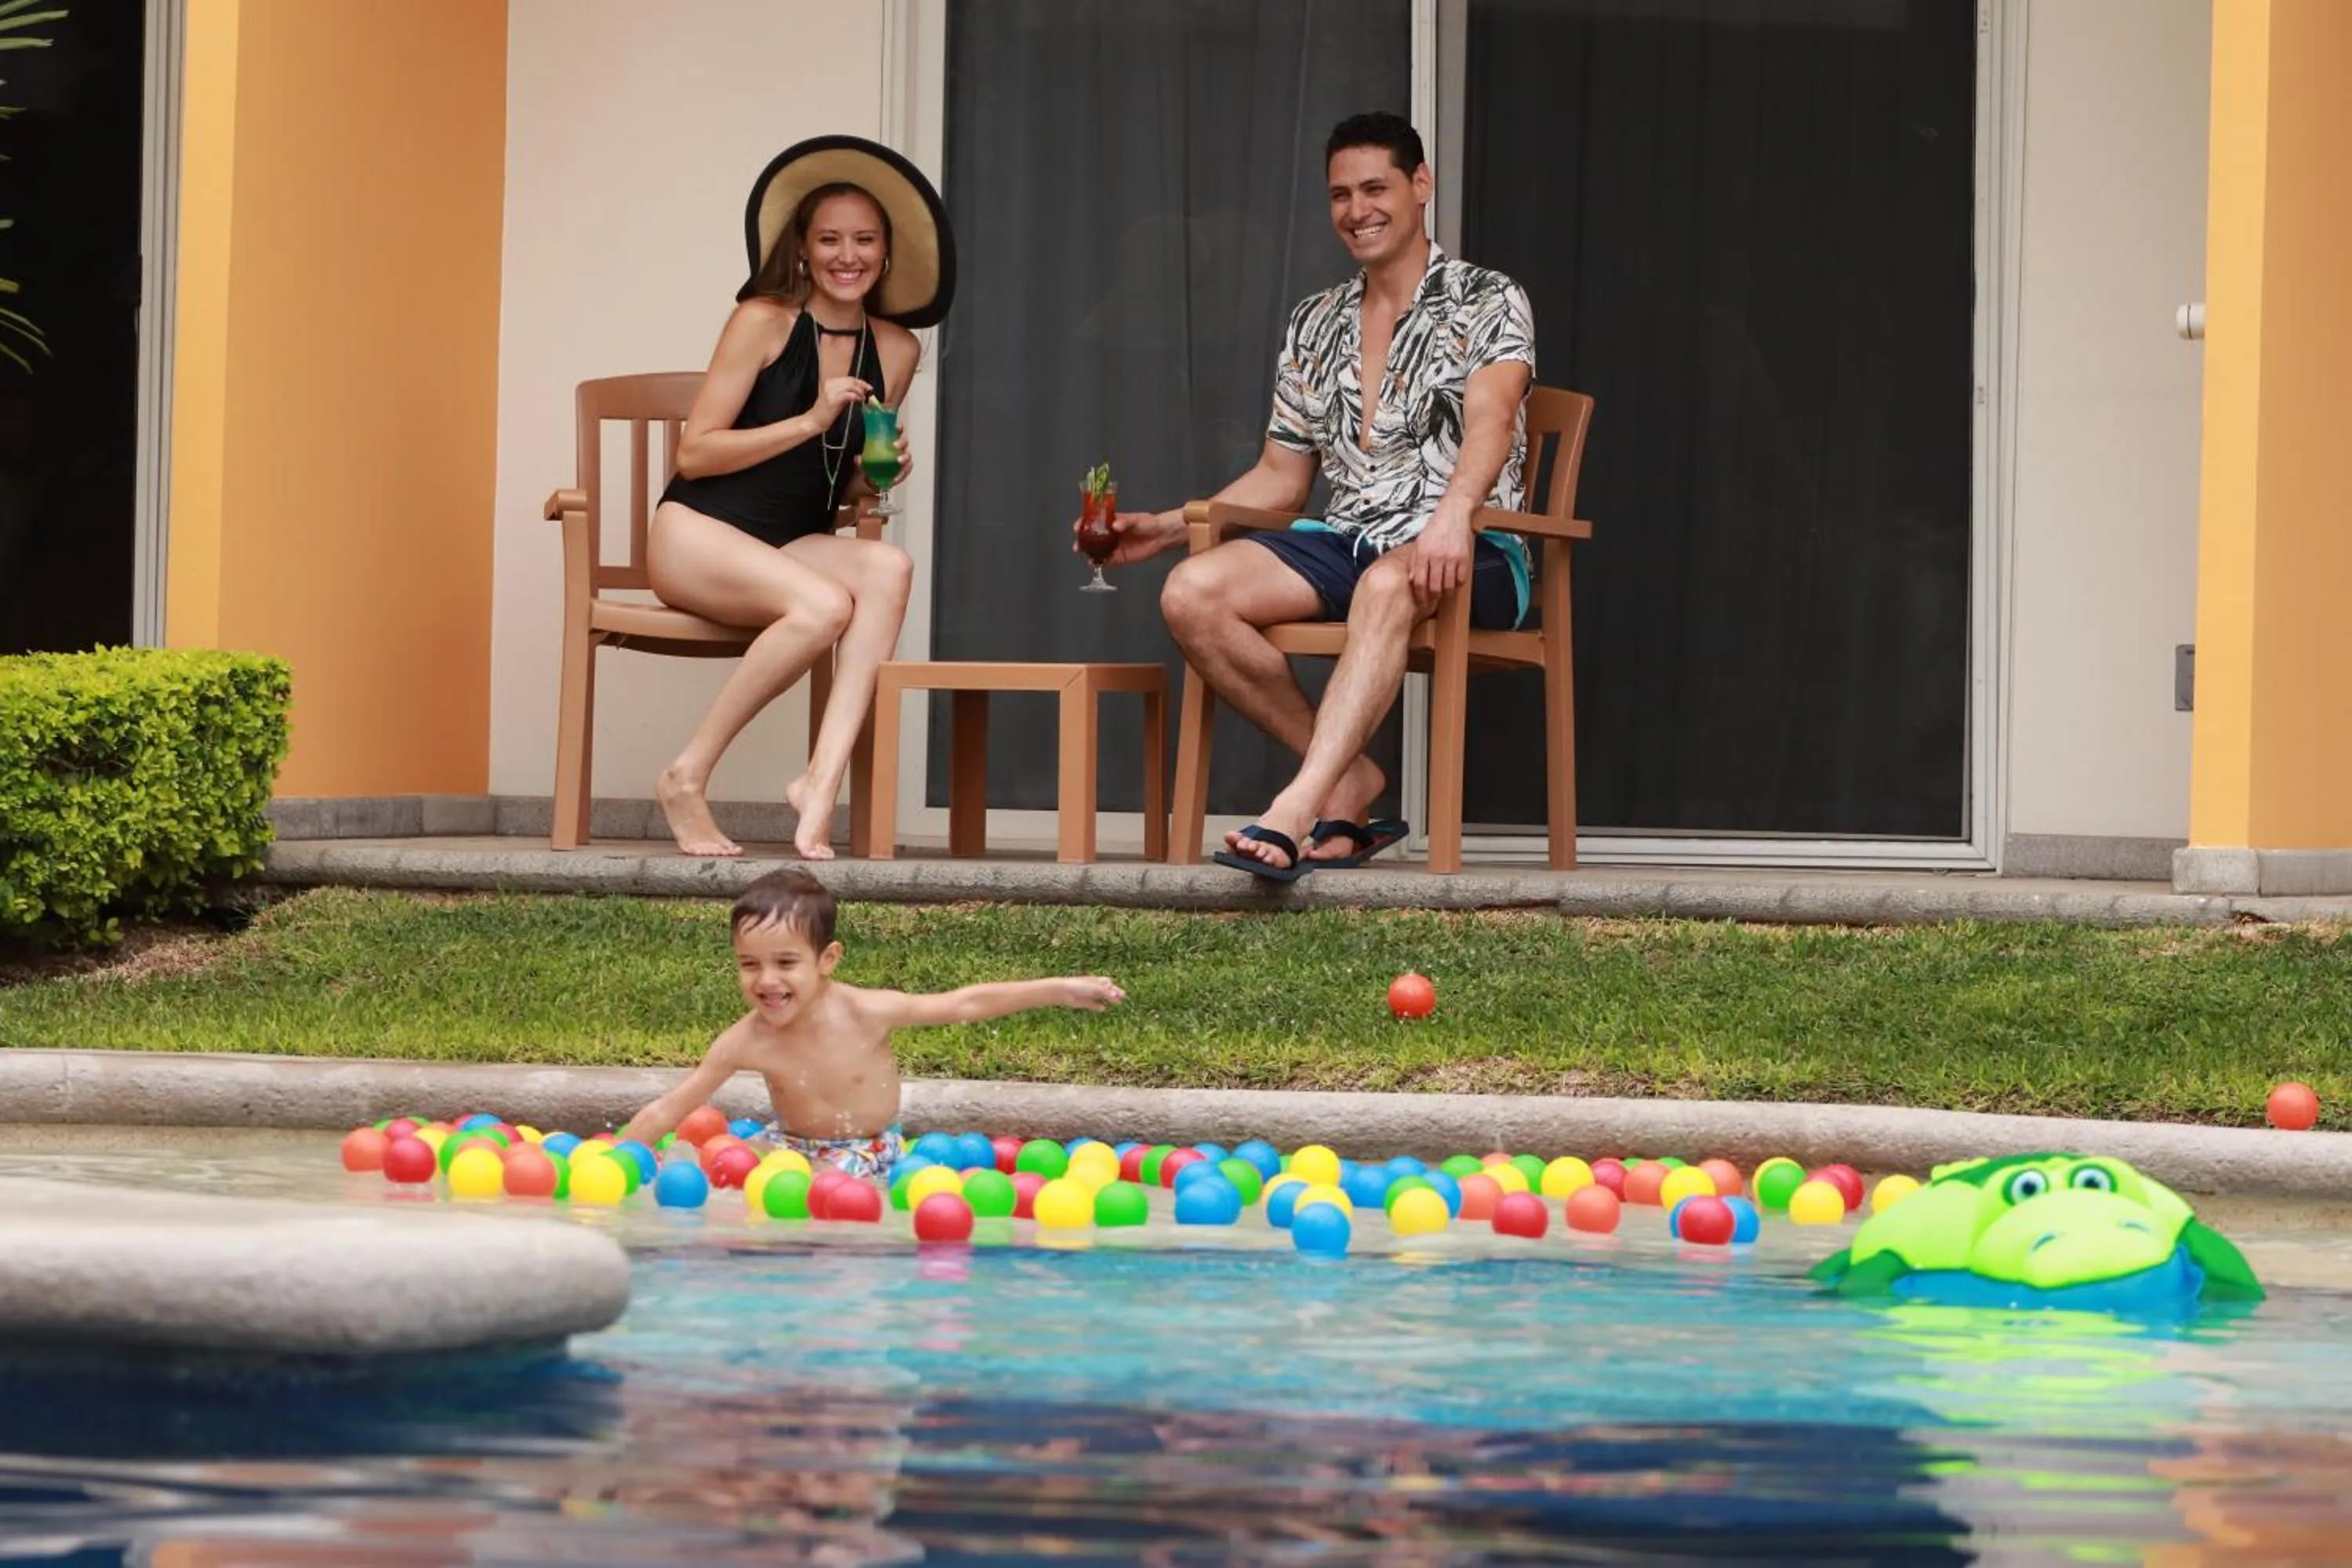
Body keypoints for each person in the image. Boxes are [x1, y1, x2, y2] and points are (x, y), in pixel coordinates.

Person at [1084, 112, 1537, 880]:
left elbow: (1492, 423)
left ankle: (1298, 807)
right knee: (1193, 591)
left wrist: (1455, 517)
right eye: (1339, 195)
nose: (1356, 209)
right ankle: (1350, 777)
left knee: (1389, 580)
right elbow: (1281, 476)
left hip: (1473, 544)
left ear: (1420, 186)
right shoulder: (1314, 319)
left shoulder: (1487, 298)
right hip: (1346, 536)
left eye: (1375, 188)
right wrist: (1164, 527)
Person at [650, 136, 957, 861]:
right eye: (829, 240)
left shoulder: (899, 349)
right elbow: (695, 451)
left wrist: (875, 478)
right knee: (823, 606)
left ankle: (819, 784)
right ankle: (686, 776)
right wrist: (812, 419)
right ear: (802, 250)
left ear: (886, 254)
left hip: (789, 541)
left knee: (889, 570)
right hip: (699, 530)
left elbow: (840, 480)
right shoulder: (763, 320)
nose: (846, 256)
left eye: (864, 241)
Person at [615, 868, 1123, 1179]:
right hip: (790, 1145)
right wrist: (614, 1160)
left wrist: (1057, 989)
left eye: (786, 963)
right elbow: (674, 1105)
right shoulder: (745, 1040)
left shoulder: (866, 1012)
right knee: (710, 1166)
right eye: (750, 965)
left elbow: (963, 1004)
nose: (767, 981)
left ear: (827, 959)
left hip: (867, 1150)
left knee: (822, 1193)